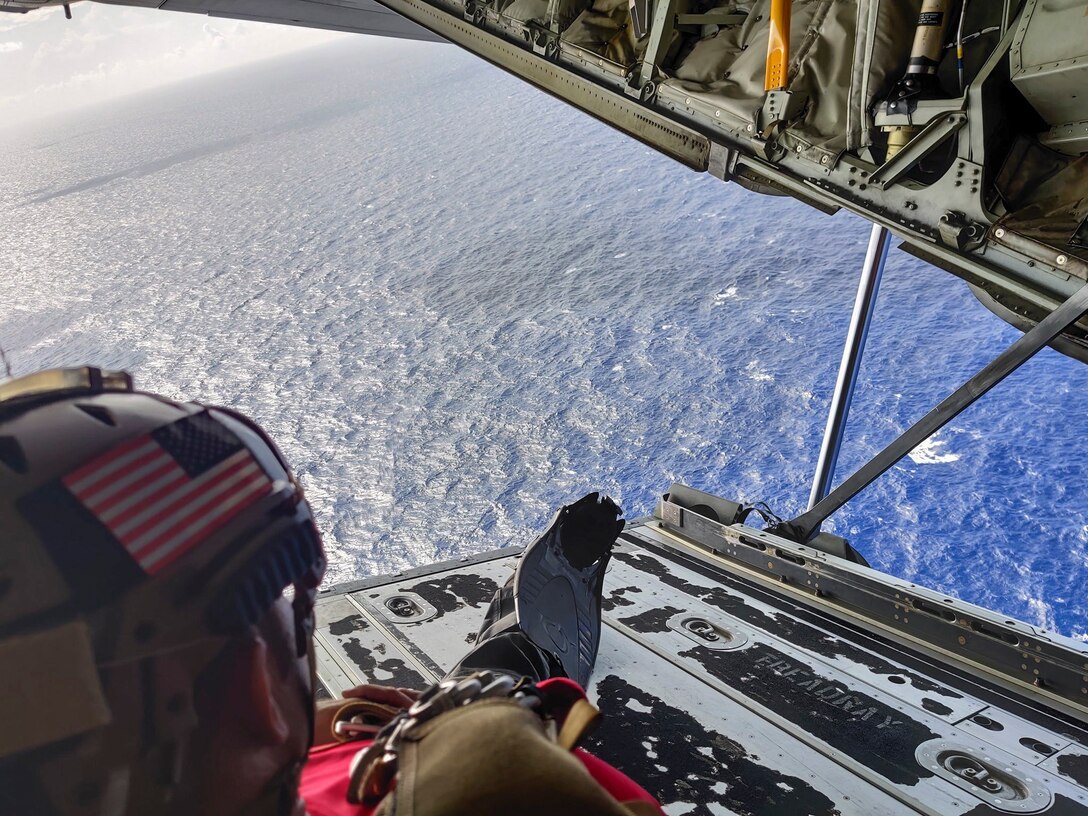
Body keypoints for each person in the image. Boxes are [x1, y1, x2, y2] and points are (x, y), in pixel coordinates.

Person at [0, 366, 661, 816]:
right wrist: (478, 742)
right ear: (260, 698)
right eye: (281, 618)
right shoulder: (503, 784)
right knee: (487, 698)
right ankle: (517, 663)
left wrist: (301, 728)